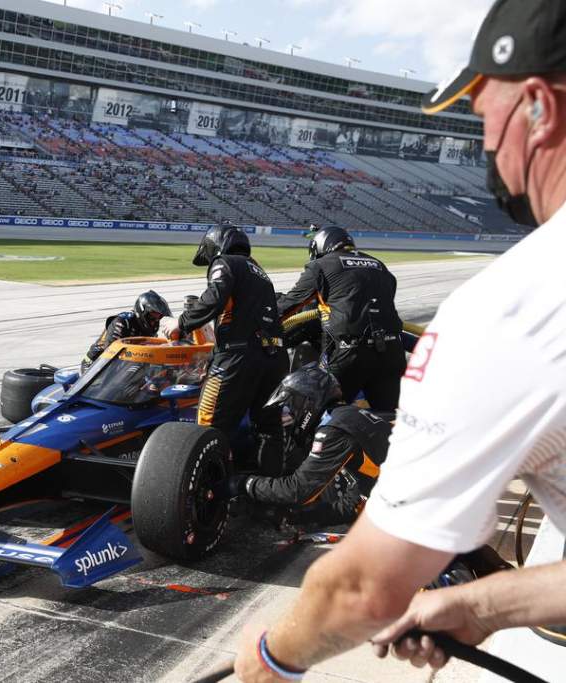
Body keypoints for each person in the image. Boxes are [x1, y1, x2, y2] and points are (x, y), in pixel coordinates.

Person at [232, 1, 566, 679]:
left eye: (485, 119)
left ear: (538, 108)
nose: (486, 146)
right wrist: (492, 599)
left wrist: (272, 656)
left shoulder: (512, 309)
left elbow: (363, 588)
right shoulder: (384, 270)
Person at [164, 226, 288, 472]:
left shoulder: (225, 262)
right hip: (275, 359)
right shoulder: (260, 271)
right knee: (269, 429)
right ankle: (268, 491)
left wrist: (179, 323)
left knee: (208, 426)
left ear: (216, 245)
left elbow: (214, 297)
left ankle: (208, 496)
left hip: (238, 358)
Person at [227, 366, 390, 526]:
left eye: (291, 406)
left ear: (309, 401)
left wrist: (244, 483)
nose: (289, 414)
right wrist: (291, 517)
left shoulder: (334, 430)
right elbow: (353, 507)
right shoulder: (347, 418)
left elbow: (298, 490)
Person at [276, 226, 405, 411]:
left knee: (319, 411)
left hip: (353, 352)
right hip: (393, 352)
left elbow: (290, 304)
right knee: (388, 417)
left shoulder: (320, 265)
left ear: (320, 247)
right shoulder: (379, 264)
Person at [80, 290, 172, 373]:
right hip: (96, 364)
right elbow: (111, 352)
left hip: (124, 365)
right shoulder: (122, 321)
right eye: (153, 316)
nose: (155, 321)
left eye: (159, 317)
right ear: (142, 311)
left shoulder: (150, 327)